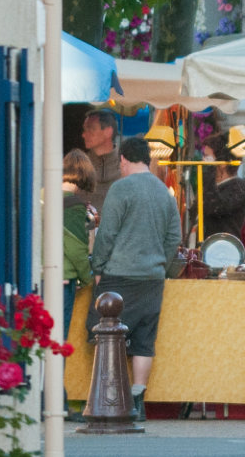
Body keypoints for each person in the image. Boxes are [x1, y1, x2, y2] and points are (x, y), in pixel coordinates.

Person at [88, 135, 181, 419]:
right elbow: (174, 236)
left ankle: (109, 398)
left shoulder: (121, 188)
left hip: (119, 275)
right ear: (148, 160)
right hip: (152, 277)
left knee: (104, 335)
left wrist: (99, 267)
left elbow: (107, 234)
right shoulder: (164, 191)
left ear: (124, 160)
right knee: (144, 340)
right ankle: (137, 401)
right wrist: (160, 266)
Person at [61, 149, 97, 346]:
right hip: (64, 278)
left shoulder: (41, 195)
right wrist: (86, 278)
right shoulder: (74, 205)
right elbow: (77, 248)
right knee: (59, 341)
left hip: (39, 277)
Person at [81, 108, 122, 209]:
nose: (84, 135)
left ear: (108, 132)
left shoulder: (126, 165)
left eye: (91, 129)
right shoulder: (79, 167)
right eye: (85, 129)